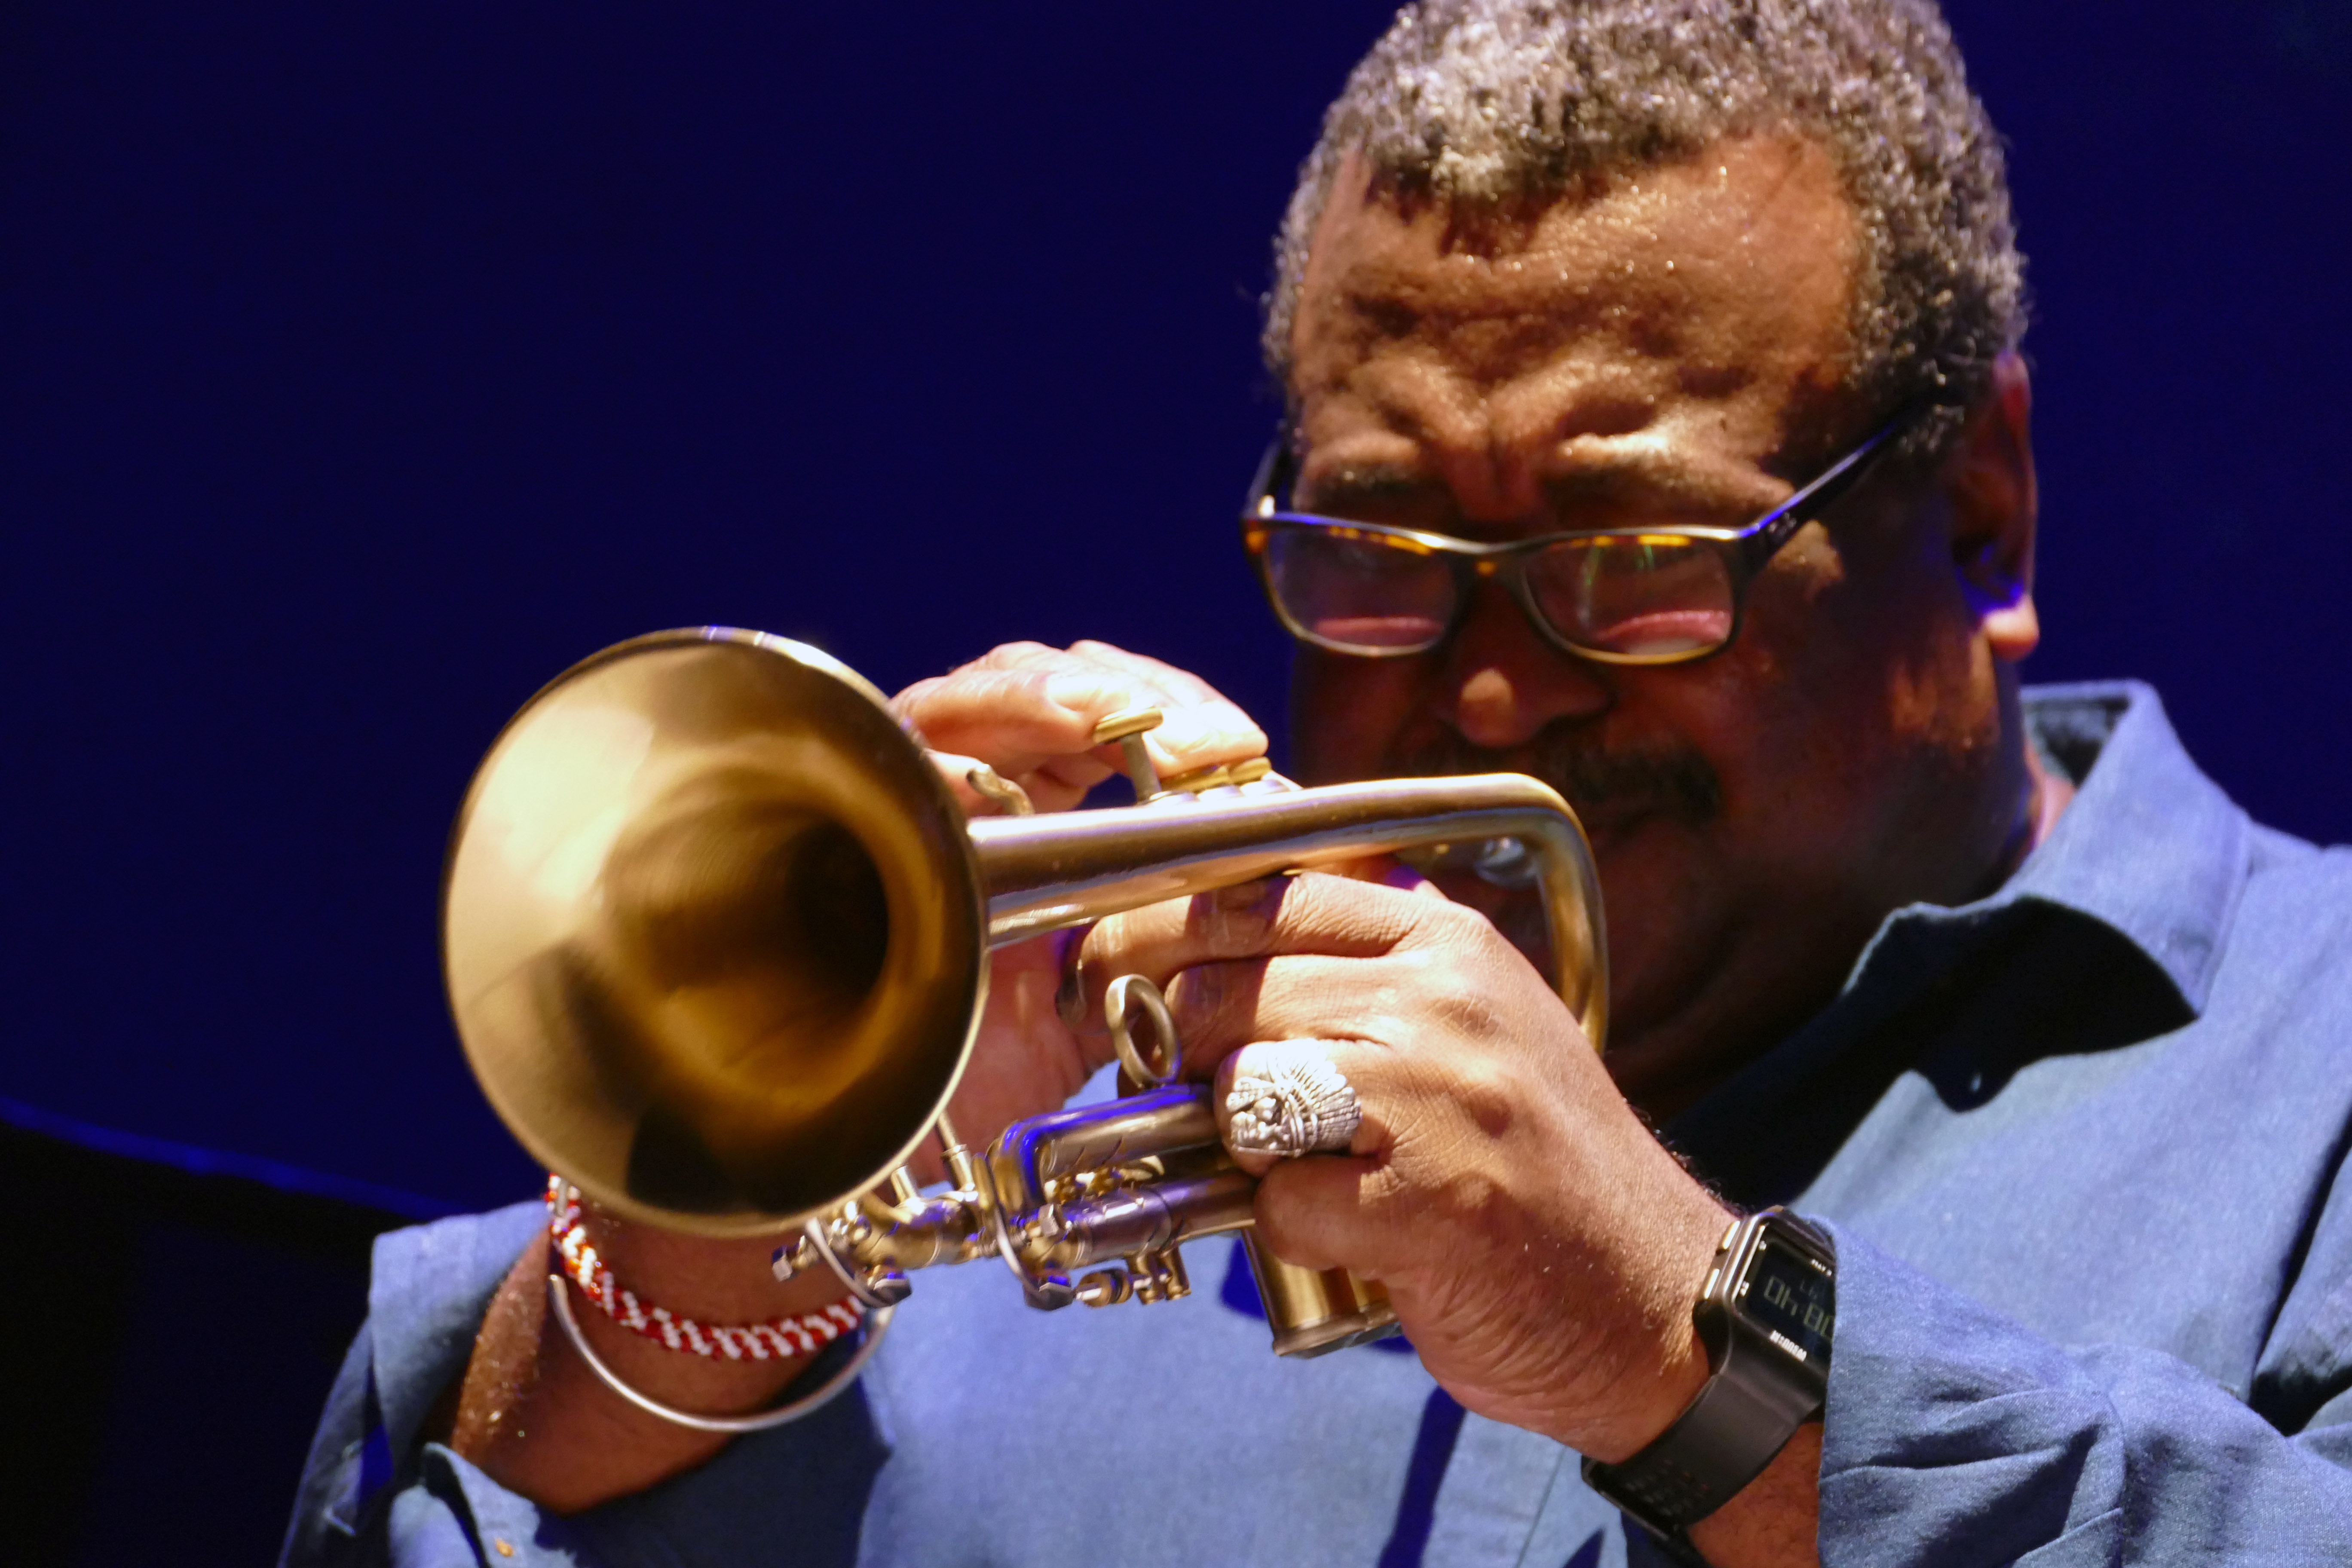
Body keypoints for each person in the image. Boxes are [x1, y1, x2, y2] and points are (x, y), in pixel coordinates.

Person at [282, 3, 2352, 1564]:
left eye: (1628, 563)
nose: (1486, 694)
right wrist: (734, 1237)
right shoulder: (1042, 1092)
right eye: (1378, 552)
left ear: (1981, 509)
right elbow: (429, 1508)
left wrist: (1688, 1344)